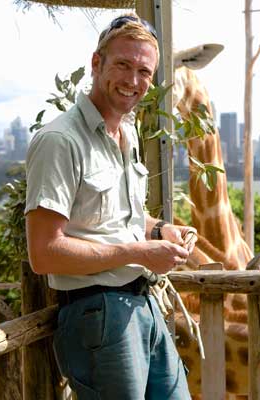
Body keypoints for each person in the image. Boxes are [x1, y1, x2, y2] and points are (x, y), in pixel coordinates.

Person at [25, 14, 195, 400]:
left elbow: (116, 218)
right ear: (96, 63)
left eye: (143, 71)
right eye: (122, 65)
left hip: (142, 305)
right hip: (99, 313)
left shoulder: (126, 132)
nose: (133, 81)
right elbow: (44, 252)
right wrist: (139, 252)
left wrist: (158, 231)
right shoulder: (59, 140)